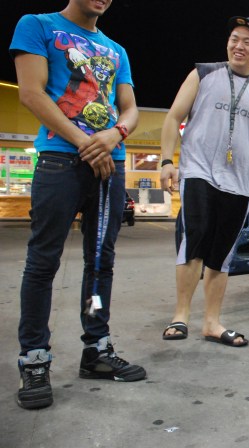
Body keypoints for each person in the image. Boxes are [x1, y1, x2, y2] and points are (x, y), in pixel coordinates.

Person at [10, 0, 146, 410]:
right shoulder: (37, 25)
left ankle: (96, 348)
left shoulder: (116, 50)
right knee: (43, 262)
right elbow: (31, 93)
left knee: (101, 263)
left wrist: (116, 134)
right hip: (60, 161)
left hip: (110, 166)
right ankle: (35, 358)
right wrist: (88, 143)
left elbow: (130, 108)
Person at [160, 16, 249, 347]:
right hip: (198, 170)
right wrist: (167, 161)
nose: (238, 46)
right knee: (195, 238)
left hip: (240, 182)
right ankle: (180, 316)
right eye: (234, 39)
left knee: (222, 252)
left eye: (247, 41)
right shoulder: (203, 73)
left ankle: (212, 323)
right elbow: (174, 116)